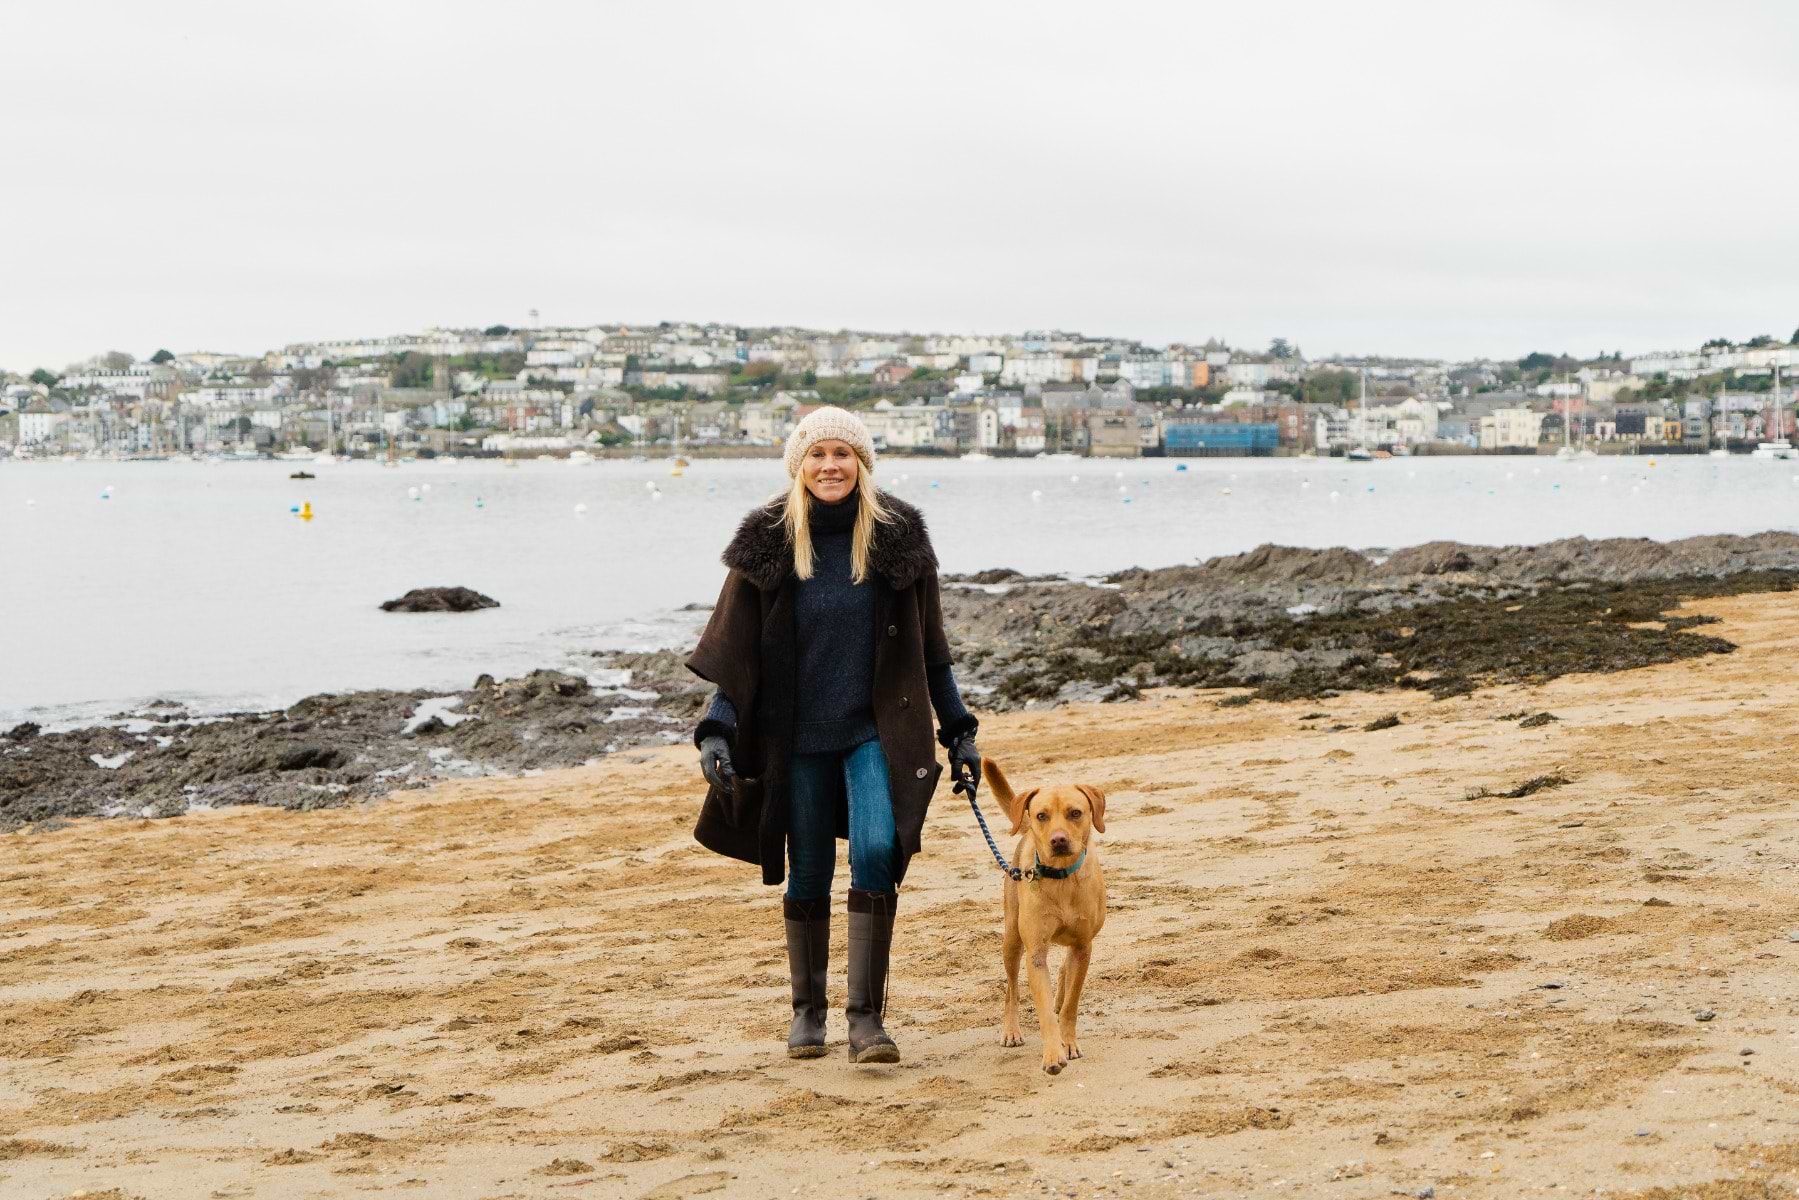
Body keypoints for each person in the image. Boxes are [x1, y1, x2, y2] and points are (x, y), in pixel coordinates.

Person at [685, 406, 980, 1064]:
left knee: (879, 846)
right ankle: (807, 1014)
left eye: (843, 454)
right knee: (809, 869)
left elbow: (932, 653)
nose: (830, 466)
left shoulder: (898, 538)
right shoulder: (767, 539)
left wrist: (958, 730)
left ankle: (866, 1020)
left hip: (873, 732)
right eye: (817, 455)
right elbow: (736, 657)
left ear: (862, 464)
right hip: (795, 740)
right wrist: (716, 732)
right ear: (798, 465)